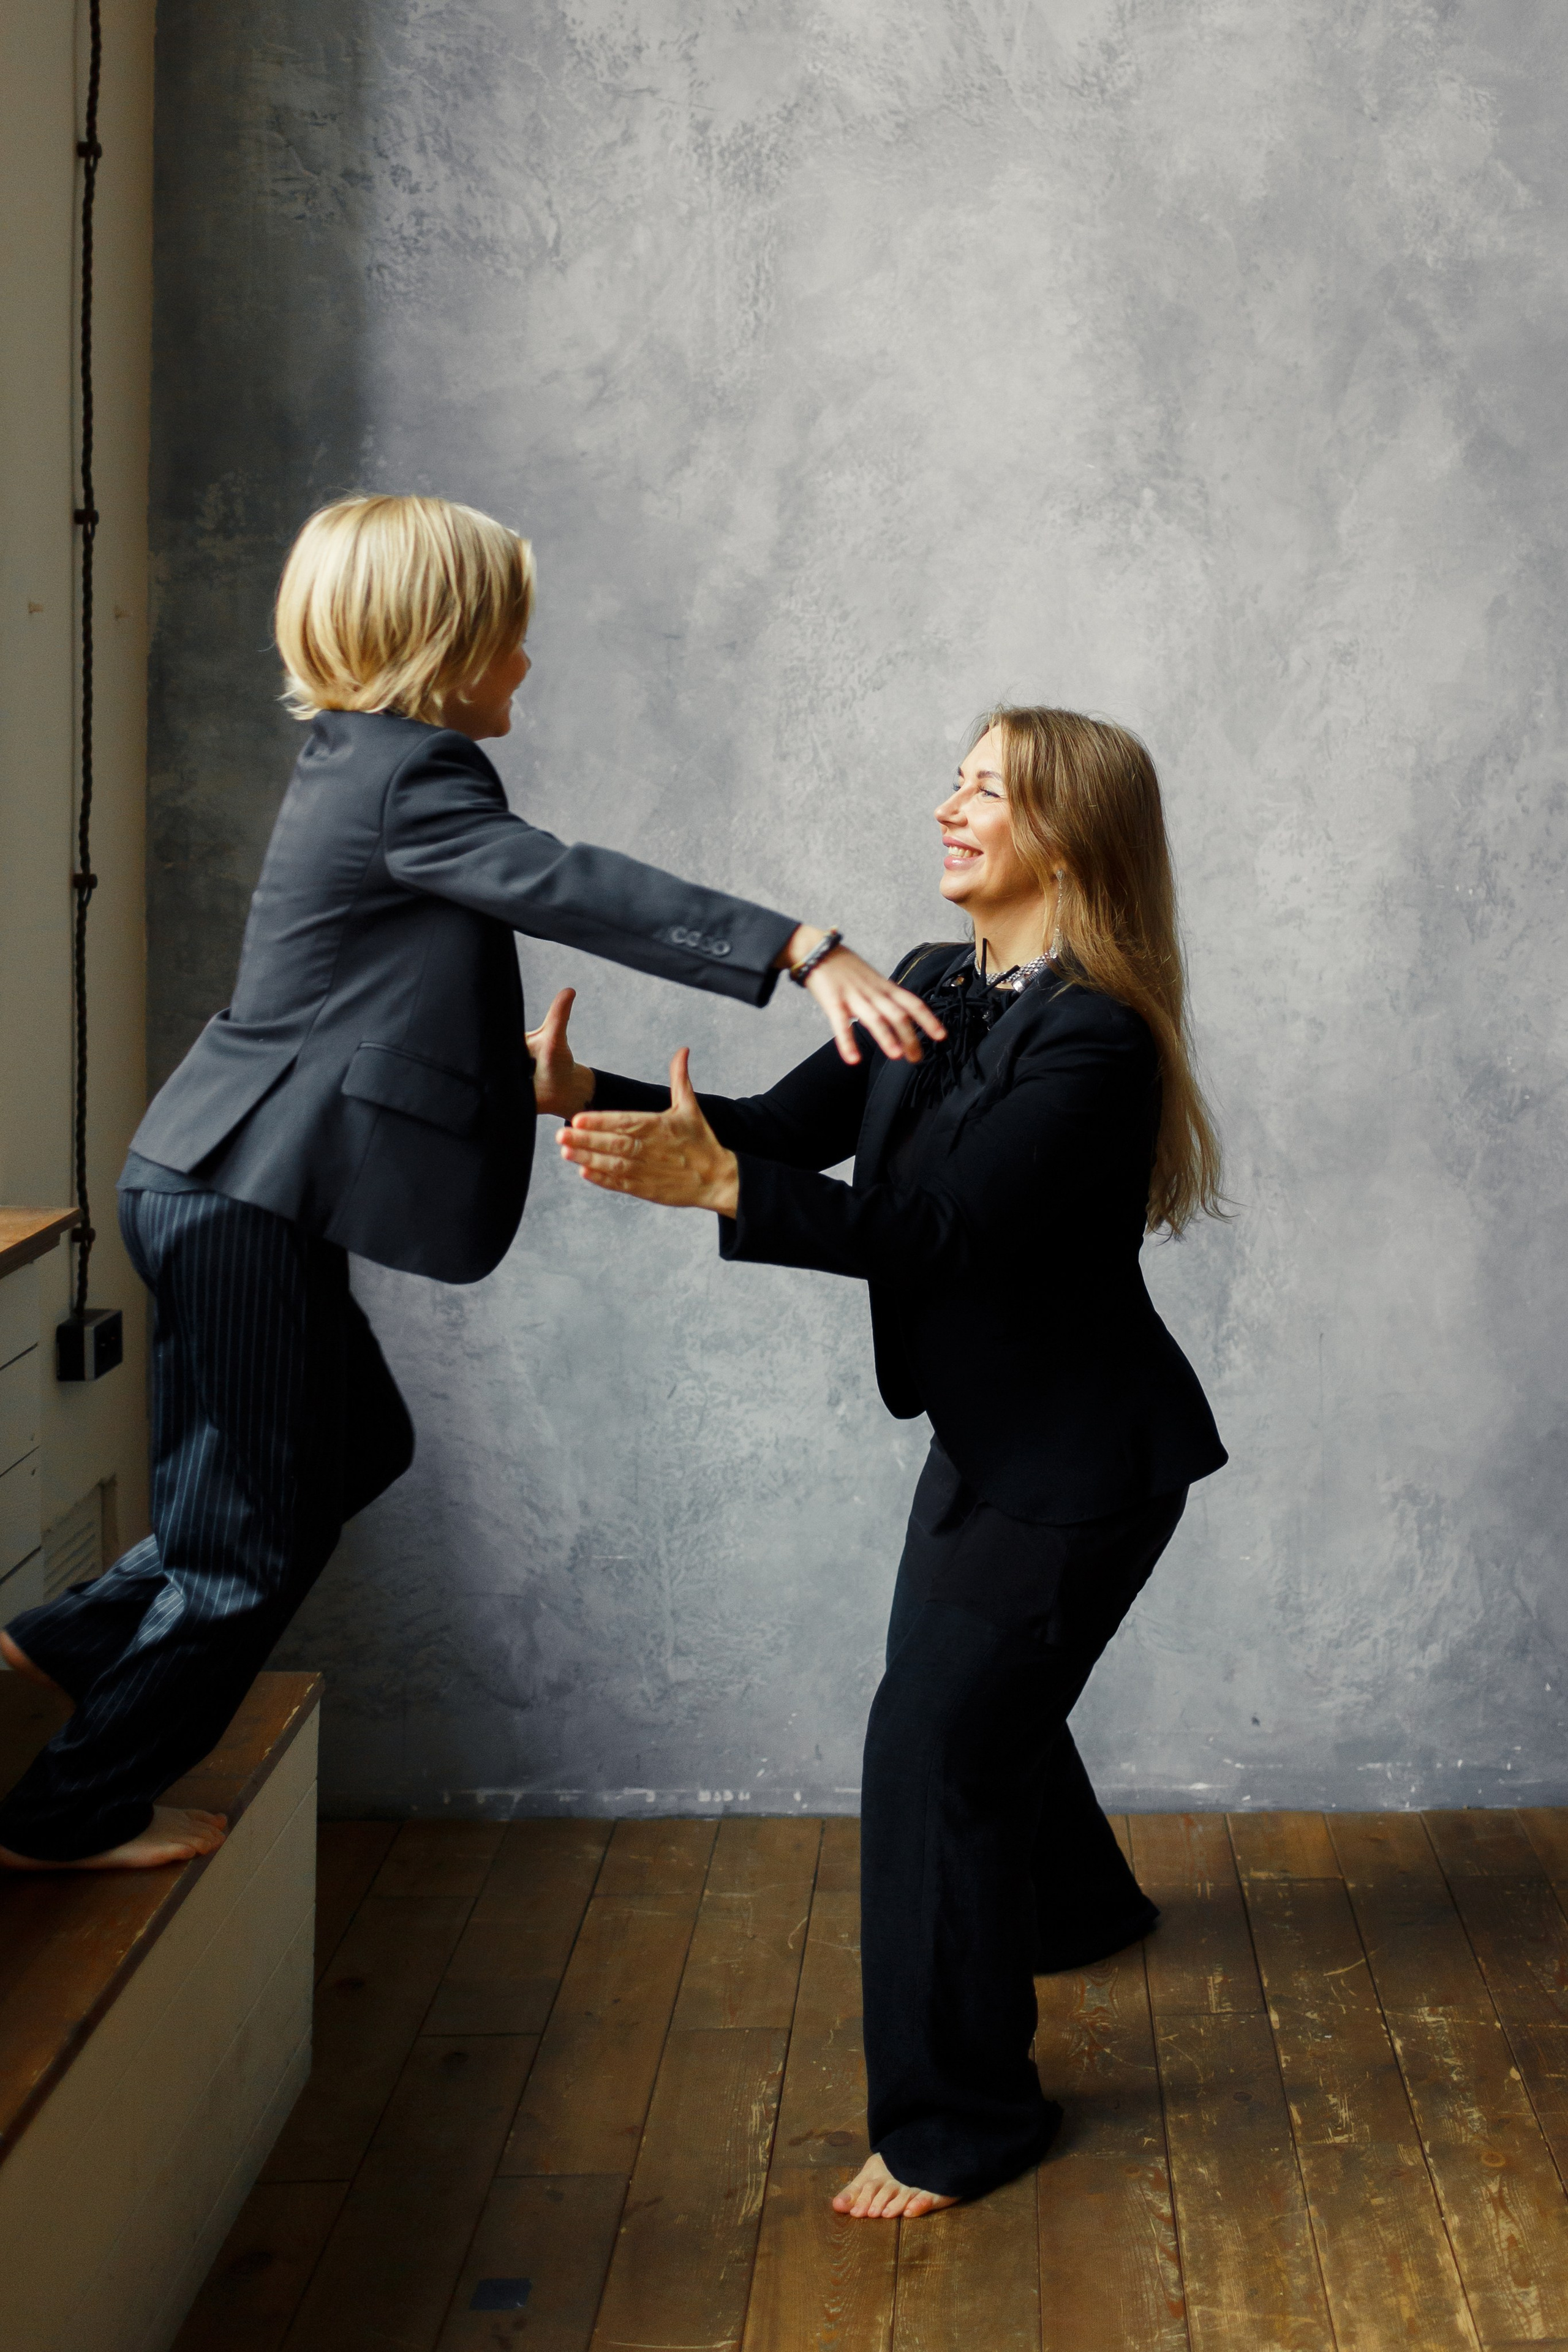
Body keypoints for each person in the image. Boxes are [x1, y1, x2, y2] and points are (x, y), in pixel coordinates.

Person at [0, 493, 944, 1873]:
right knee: (244, 1548)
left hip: (225, 1178)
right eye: (509, 640)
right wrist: (800, 948)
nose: (522, 668)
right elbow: (570, 887)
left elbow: (352, 995)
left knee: (354, 1450)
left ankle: (63, 1642)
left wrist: (514, 1077)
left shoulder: (355, 766)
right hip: (241, 1195)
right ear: (440, 646)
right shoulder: (411, 776)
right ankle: (66, 1815)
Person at [549, 704, 1227, 2217]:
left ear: (1065, 835)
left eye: (984, 790)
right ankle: (1079, 1909)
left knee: (927, 1747)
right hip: (990, 1438)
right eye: (955, 778)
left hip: (1084, 1463)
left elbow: (946, 1235)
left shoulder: (1096, 1038)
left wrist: (721, 1191)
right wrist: (584, 1099)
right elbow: (781, 1130)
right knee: (967, 1701)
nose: (948, 807)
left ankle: (960, 2123)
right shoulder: (928, 985)